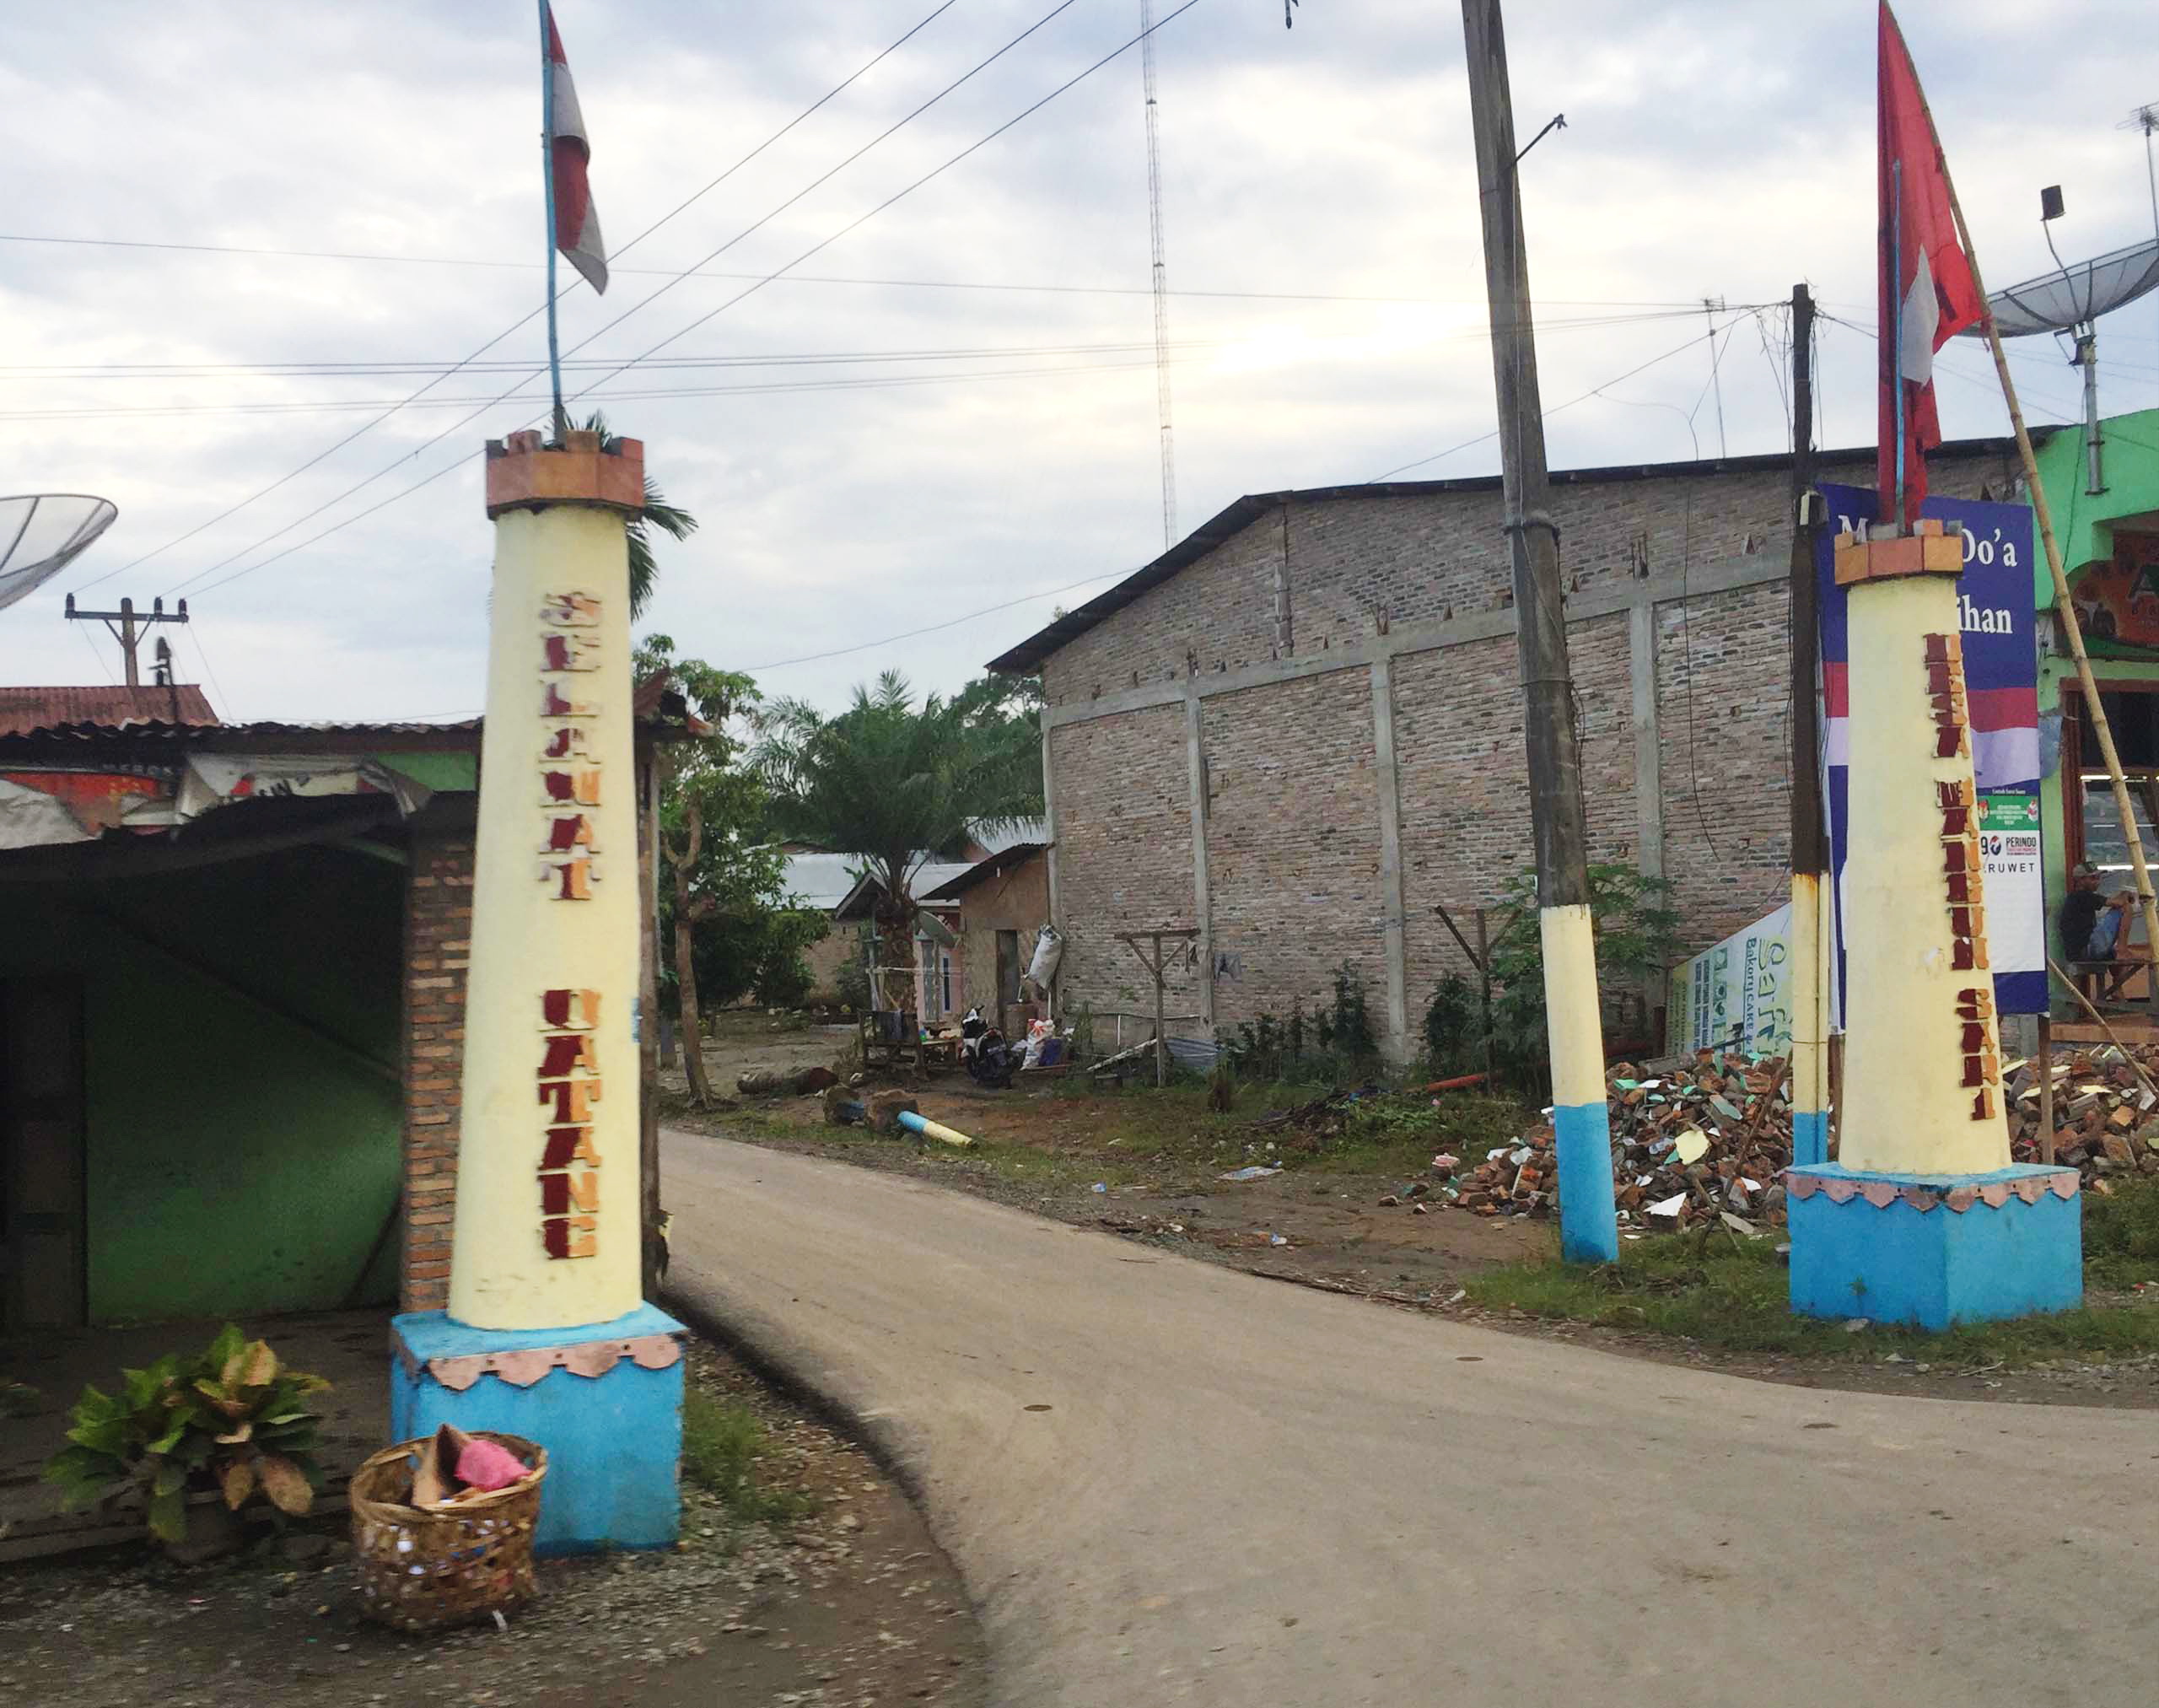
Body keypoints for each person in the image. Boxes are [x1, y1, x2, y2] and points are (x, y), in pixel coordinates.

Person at [2059, 861, 2133, 961]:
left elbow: (2114, 901)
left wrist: (2123, 895)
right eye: (2093, 878)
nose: (2098, 882)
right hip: (2089, 949)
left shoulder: (2078, 899)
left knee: (2116, 962)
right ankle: (2122, 949)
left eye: (2099, 878)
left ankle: (2119, 974)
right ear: (2080, 880)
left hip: (2079, 953)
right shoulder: (2081, 896)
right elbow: (2119, 903)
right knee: (2125, 908)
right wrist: (2126, 894)